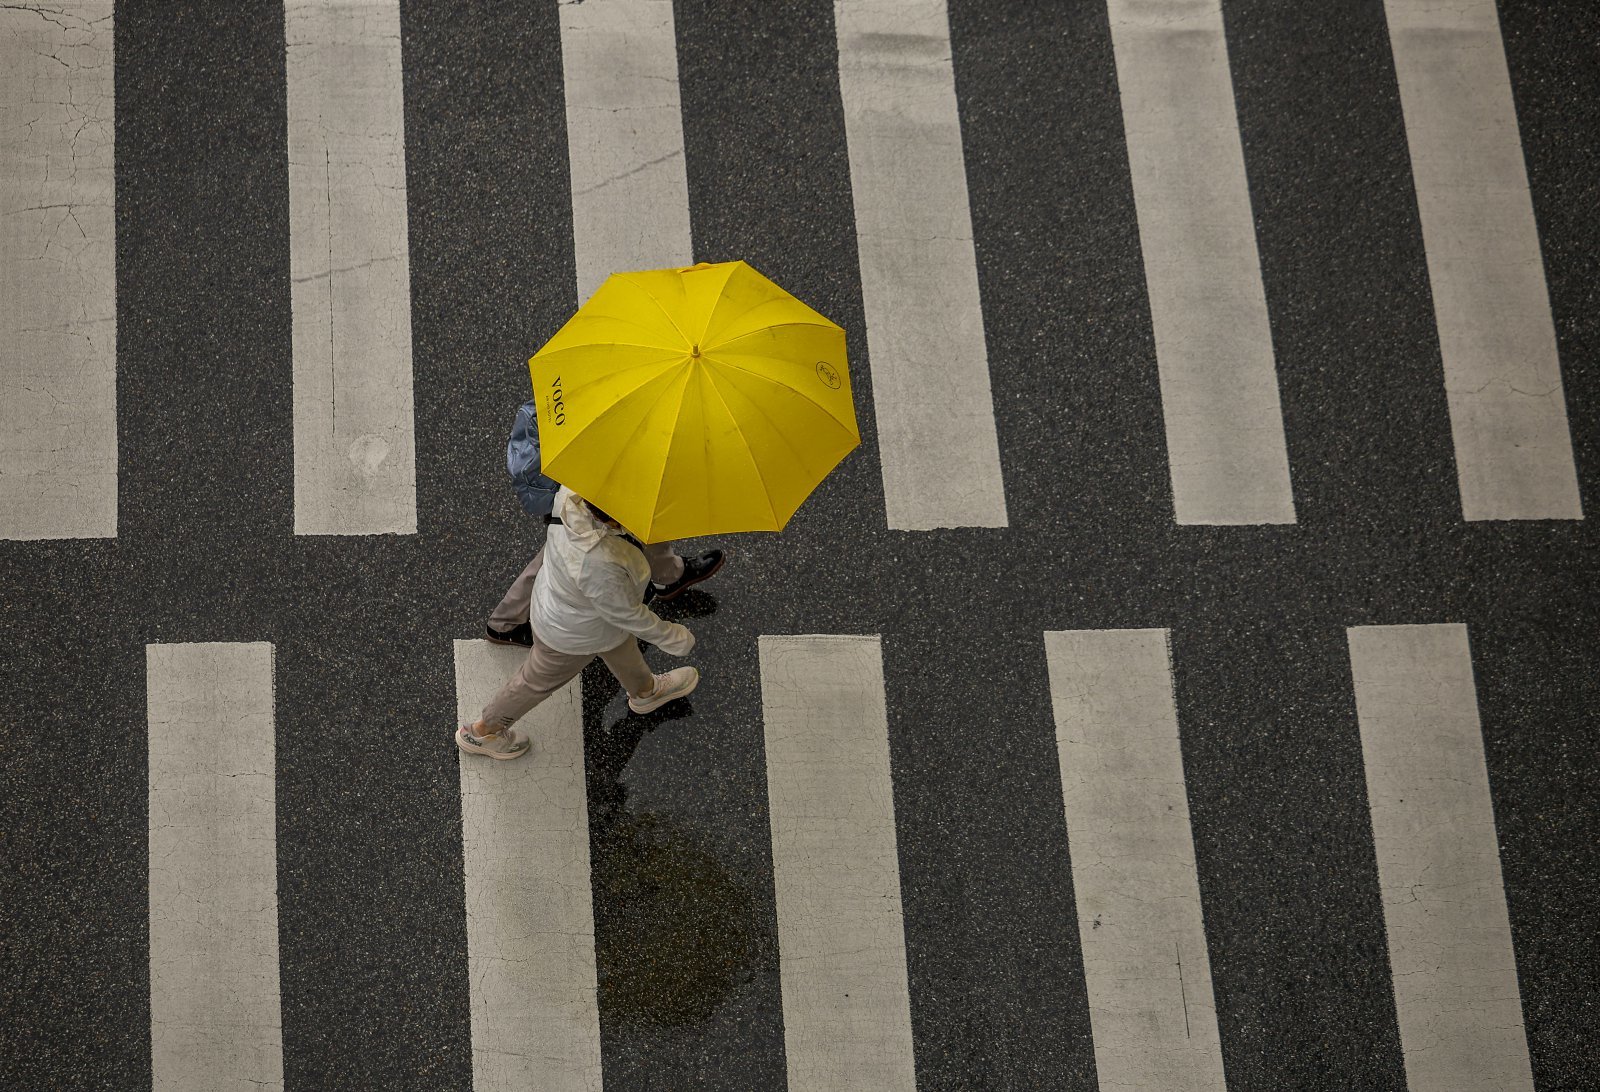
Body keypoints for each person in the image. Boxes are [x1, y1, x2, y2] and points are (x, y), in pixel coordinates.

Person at [457, 487, 724, 760]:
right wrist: (673, 636)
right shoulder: (597, 562)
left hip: (579, 616)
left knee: (622, 649)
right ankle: (483, 731)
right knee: (534, 681)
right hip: (570, 635)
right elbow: (626, 614)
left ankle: (646, 692)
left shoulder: (572, 495)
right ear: (613, 519)